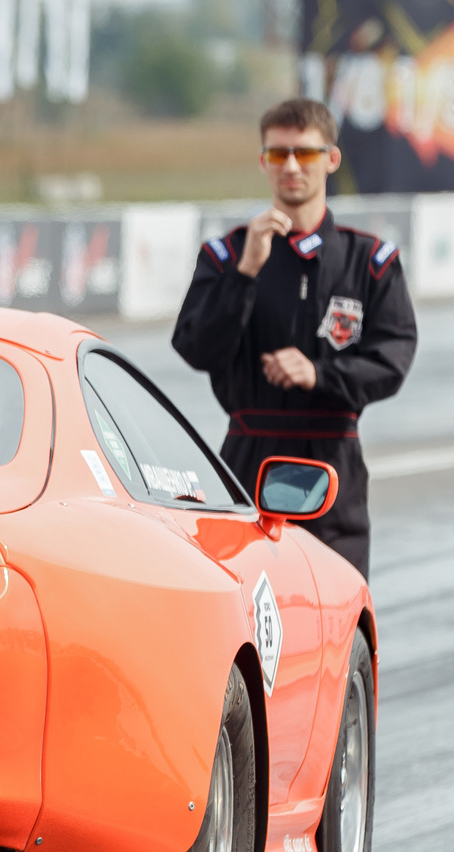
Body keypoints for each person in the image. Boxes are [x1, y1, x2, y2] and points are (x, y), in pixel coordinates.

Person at [171, 98, 416, 577]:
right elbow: (194, 346)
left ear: (330, 159)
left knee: (340, 620)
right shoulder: (227, 255)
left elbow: (393, 360)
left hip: (334, 466)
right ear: (263, 160)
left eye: (303, 154)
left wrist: (319, 374)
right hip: (246, 460)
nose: (290, 166)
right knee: (242, 612)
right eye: (277, 154)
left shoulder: (369, 262)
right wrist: (245, 274)